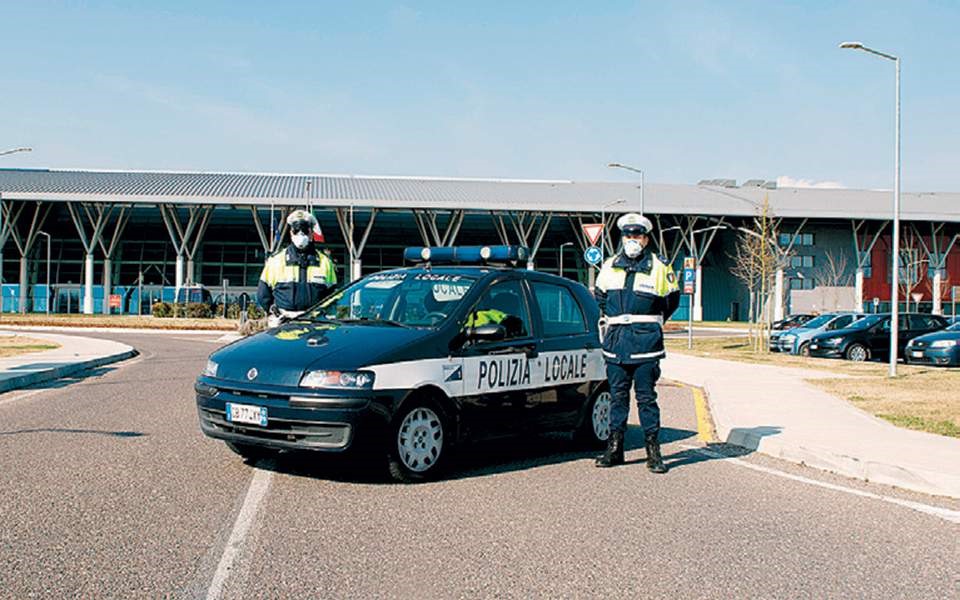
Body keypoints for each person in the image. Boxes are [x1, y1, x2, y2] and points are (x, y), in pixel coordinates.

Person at [594, 213, 680, 473]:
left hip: (646, 345)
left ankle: (653, 453)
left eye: (637, 236)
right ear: (622, 238)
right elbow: (600, 297)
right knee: (617, 399)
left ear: (646, 238)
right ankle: (614, 449)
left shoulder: (660, 266)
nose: (632, 240)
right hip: (617, 344)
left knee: (646, 400)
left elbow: (670, 302)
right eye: (628, 236)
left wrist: (648, 322)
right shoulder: (609, 265)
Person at [258, 209, 338, 327]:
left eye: (304, 230)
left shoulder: (325, 262)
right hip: (283, 327)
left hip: (315, 326)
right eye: (296, 230)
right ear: (291, 233)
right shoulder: (275, 261)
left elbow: (333, 297)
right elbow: (263, 294)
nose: (300, 234)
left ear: (311, 233)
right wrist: (273, 313)